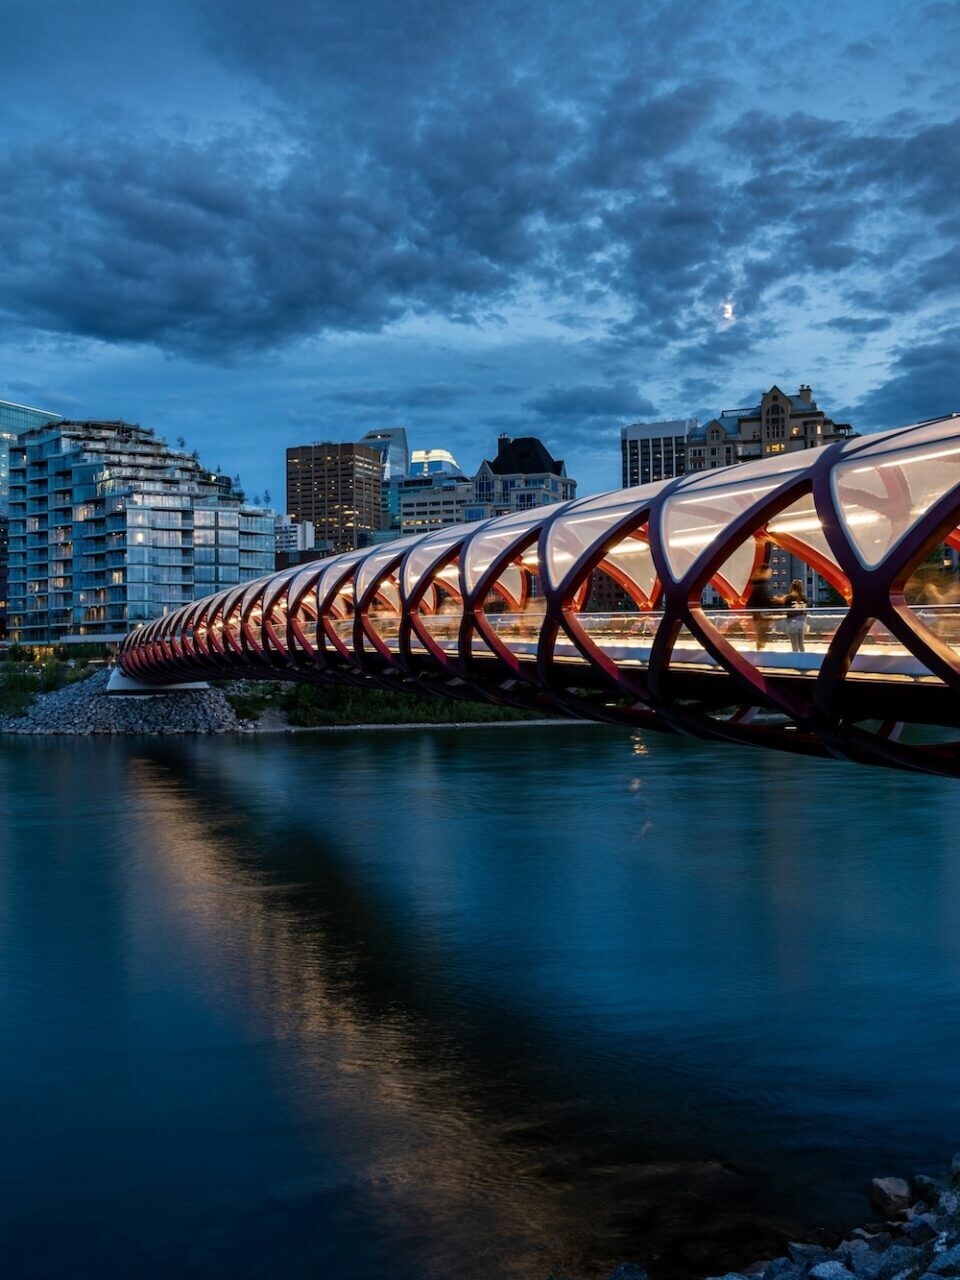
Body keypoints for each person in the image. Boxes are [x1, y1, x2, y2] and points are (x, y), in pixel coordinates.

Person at [747, 565, 778, 650]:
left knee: (762, 637)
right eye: (769, 572)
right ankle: (760, 655)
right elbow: (765, 602)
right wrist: (776, 602)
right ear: (764, 572)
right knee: (762, 637)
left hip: (760, 616)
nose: (770, 574)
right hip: (762, 617)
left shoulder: (758, 585)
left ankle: (760, 653)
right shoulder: (761, 586)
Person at [782, 577, 809, 653]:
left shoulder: (789, 598)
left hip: (791, 623)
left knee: (794, 646)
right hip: (801, 622)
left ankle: (796, 663)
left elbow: (785, 610)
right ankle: (803, 662)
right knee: (801, 644)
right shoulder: (804, 597)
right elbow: (806, 611)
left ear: (792, 587)